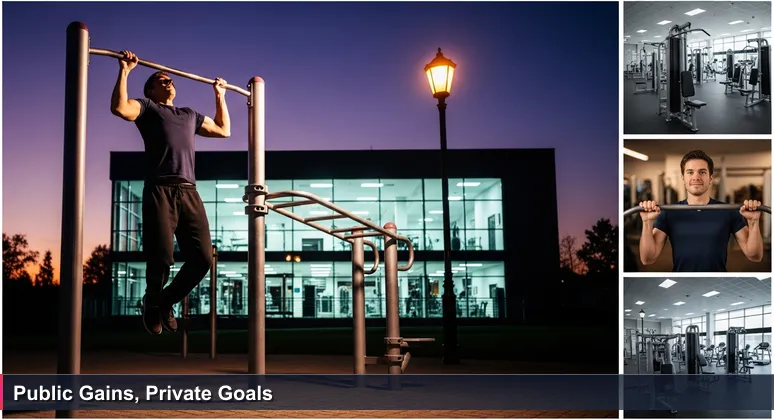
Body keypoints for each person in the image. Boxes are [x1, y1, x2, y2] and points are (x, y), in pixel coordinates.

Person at [110, 51, 231, 334]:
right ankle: (152, 303)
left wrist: (220, 94)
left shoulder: (189, 114)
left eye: (170, 80)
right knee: (162, 255)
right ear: (150, 89)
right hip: (160, 189)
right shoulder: (148, 108)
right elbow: (120, 109)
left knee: (202, 258)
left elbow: (224, 130)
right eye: (161, 80)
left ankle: (163, 302)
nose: (169, 82)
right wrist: (125, 70)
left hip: (189, 191)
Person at [638, 150, 764, 272]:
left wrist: (753, 222)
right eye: (690, 172)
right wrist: (647, 223)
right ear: (683, 178)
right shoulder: (668, 212)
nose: (696, 177)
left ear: (710, 178)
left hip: (717, 283)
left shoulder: (728, 211)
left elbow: (754, 256)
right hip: (681, 284)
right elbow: (647, 259)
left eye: (702, 172)